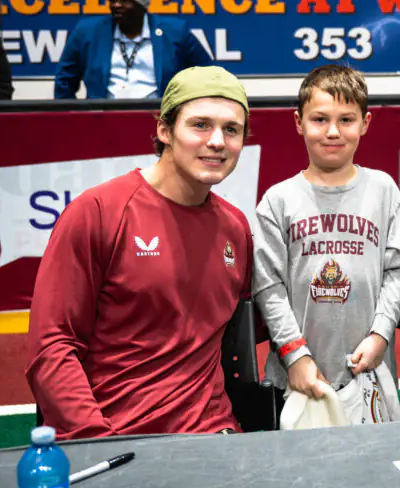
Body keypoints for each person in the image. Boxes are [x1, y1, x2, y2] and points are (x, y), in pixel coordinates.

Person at [26, 66, 252, 439]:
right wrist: (95, 440)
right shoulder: (98, 212)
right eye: (200, 125)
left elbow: (250, 327)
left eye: (232, 129)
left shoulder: (235, 228)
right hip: (117, 438)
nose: (217, 141)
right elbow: (52, 347)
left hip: (214, 437)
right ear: (164, 130)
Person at [252, 64, 400, 412]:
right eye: (320, 119)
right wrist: (294, 355)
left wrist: (381, 334)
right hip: (296, 377)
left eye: (346, 120)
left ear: (365, 123)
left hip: (370, 370)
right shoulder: (277, 201)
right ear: (299, 122)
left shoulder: (383, 190)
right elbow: (268, 285)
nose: (333, 131)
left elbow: (397, 269)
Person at [54, 0, 211, 99]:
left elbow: (207, 75)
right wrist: (72, 120)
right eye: (113, 0)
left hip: (159, 118)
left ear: (141, 5)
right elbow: (65, 79)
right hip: (102, 120)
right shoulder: (87, 31)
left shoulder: (175, 31)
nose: (116, 5)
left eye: (124, 0)